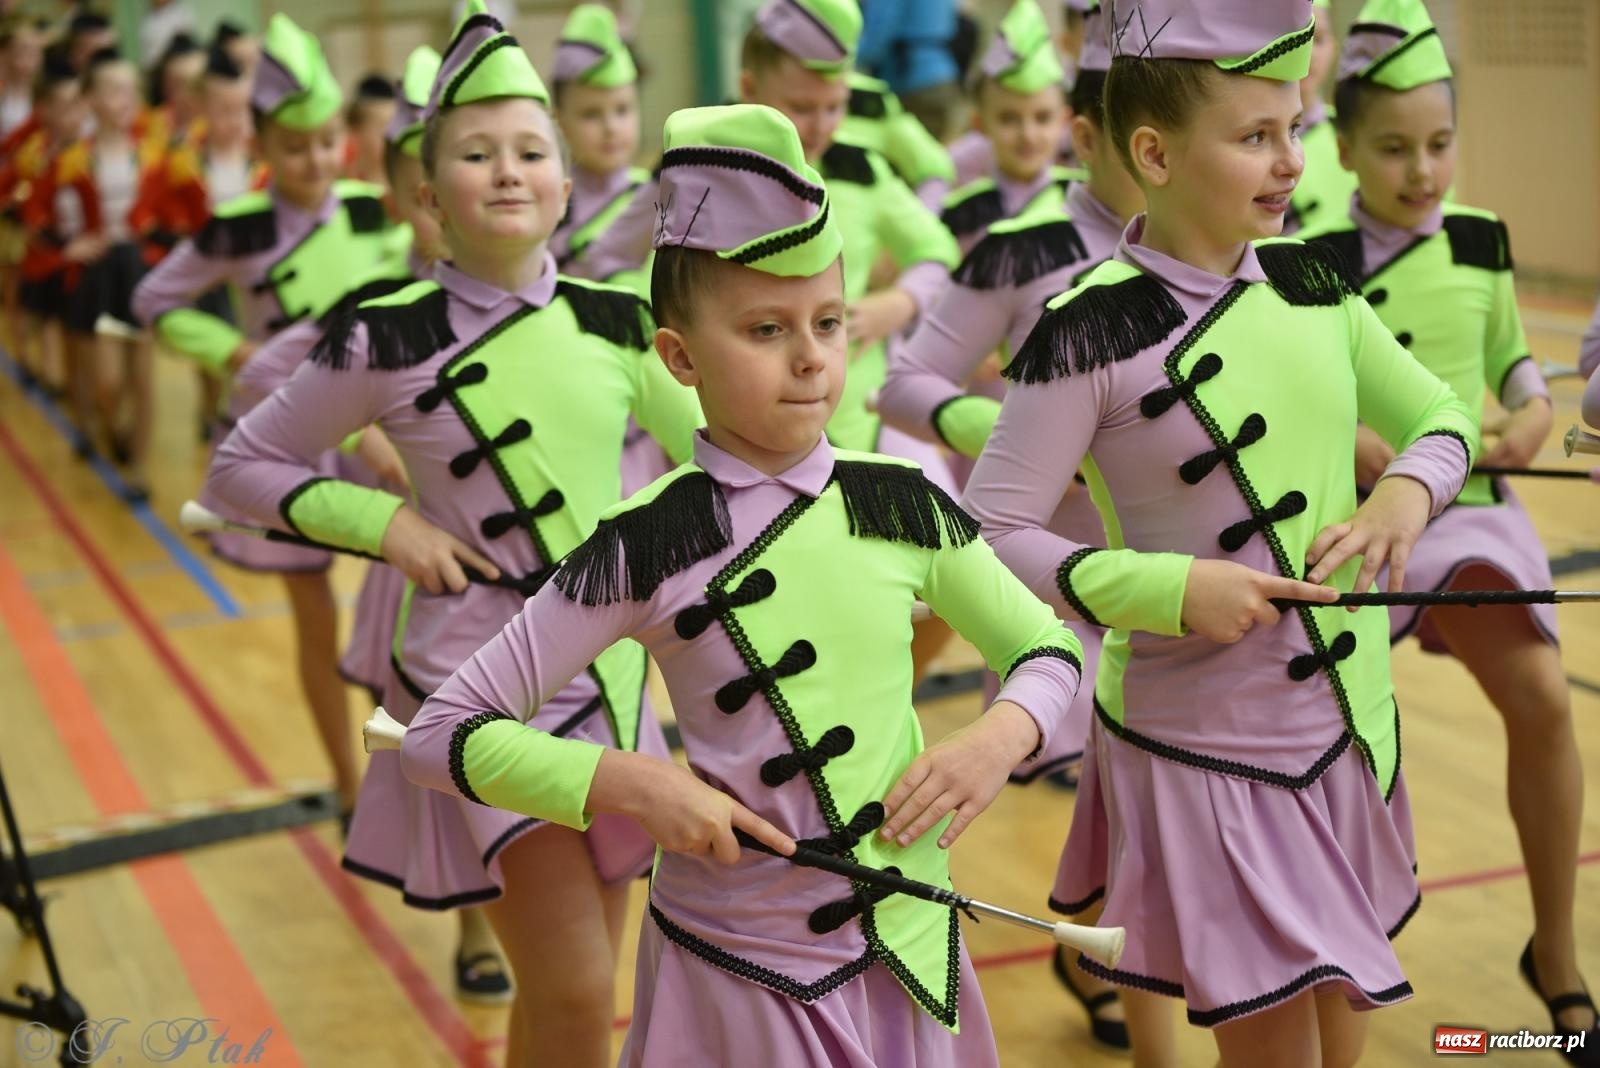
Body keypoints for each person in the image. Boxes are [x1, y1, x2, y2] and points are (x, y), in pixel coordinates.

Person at [400, 100, 1083, 1068]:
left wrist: (998, 739)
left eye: (829, 322)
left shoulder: (901, 502)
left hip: (903, 948)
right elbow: (443, 732)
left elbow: (1049, 648)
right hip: (736, 970)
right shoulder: (646, 543)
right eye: (765, 328)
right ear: (677, 358)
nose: (810, 356)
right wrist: (631, 781)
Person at [960, 1, 1479, 1064]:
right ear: (1151, 152)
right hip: (1202, 747)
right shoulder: (1086, 328)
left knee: (1344, 1033)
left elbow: (1443, 417)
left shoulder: (1315, 283)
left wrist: (1402, 499)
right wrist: (1163, 589)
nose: (1290, 160)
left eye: (1293, 128)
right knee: (1270, 1042)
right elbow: (989, 530)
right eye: (1254, 136)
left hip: (1344, 726)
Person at [206, 6, 702, 1062]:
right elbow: (240, 465)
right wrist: (383, 522)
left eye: (532, 151)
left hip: (606, 682)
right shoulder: (387, 331)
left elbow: (726, 462)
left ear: (569, 182)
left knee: (568, 994)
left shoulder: (617, 320)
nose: (509, 172)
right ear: (427, 194)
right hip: (476, 683)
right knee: (572, 989)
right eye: (477, 154)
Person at [1300, 2, 1596, 1060]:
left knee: (1539, 700)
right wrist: (1356, 451)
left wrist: (1527, 412)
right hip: (1358, 525)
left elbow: (1516, 362)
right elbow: (1302, 390)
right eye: (1391, 148)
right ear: (1339, 148)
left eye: (1437, 144)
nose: (1421, 170)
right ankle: (1331, 944)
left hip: (1470, 512)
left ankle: (1554, 955)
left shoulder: (1480, 239)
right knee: (1322, 736)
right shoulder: (1309, 253)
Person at [133, 13, 403, 818]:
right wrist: (232, 351)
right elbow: (155, 299)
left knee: (396, 611)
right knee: (314, 618)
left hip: (376, 432)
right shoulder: (239, 228)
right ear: (260, 144)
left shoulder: (368, 211)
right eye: (295, 146)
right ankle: (348, 784)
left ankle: (405, 780)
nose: (316, 160)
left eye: (328, 141)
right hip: (286, 440)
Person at [938, 0, 1076, 255]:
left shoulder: (1080, 201)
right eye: (1008, 119)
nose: (1028, 135)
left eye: (1043, 118)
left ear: (1064, 122)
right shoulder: (960, 211)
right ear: (979, 124)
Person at [1284, 0, 1354, 234]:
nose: (1308, 52)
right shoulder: (1245, 137)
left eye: (1319, 38)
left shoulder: (1350, 131)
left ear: (1334, 48)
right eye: (1295, 36)